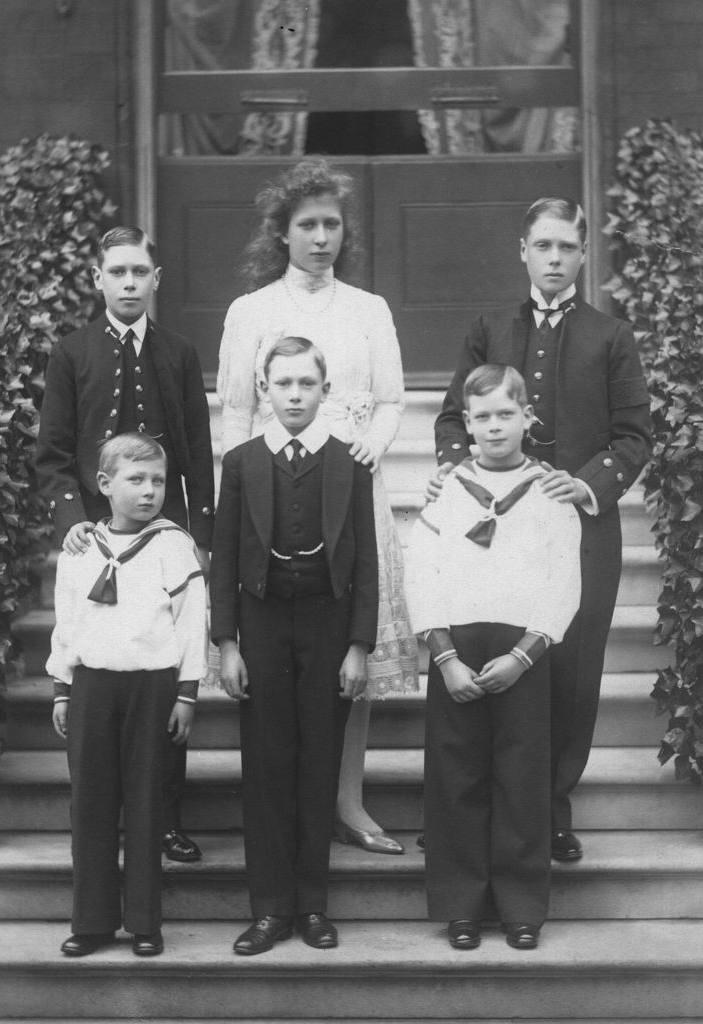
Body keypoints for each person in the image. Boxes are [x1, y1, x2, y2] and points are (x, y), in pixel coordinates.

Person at [431, 198, 652, 862]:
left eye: (567, 248)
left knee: (573, 670)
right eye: (543, 246)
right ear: (521, 250)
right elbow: (450, 419)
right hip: (496, 534)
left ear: (583, 256)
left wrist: (586, 483)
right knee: (497, 658)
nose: (554, 259)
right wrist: (454, 473)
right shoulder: (489, 327)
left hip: (581, 528)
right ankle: (487, 810)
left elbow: (634, 437)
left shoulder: (612, 337)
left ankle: (551, 807)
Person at [215, 157, 417, 855]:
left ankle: (347, 799)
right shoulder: (252, 312)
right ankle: (287, 810)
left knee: (348, 658)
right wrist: (235, 514)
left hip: (352, 497)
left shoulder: (369, 310)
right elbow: (236, 415)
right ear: (282, 233)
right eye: (307, 225)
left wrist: (372, 447)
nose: (322, 237)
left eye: (332, 224)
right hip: (273, 503)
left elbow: (392, 398)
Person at [35, 226, 214, 864]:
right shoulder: (72, 352)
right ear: (98, 279)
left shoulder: (179, 352)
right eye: (118, 273)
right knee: (105, 679)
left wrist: (202, 532)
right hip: (96, 541)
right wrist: (70, 523)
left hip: (162, 543)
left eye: (140, 272)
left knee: (160, 680)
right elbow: (52, 453)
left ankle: (163, 819)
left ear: (157, 279)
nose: (130, 283)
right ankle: (100, 820)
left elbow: (195, 449)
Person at [209, 337, 378, 955]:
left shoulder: (349, 464)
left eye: (307, 384)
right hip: (261, 625)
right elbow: (224, 554)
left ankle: (313, 906)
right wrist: (226, 643)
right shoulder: (243, 461)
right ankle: (270, 909)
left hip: (328, 628)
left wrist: (359, 645)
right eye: (284, 385)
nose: (296, 395)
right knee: (267, 764)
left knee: (317, 764)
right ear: (265, 391)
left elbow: (366, 561)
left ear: (325, 390)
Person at [406, 364, 581, 950]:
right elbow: (421, 576)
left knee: (522, 779)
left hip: (522, 652)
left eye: (507, 413)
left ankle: (521, 905)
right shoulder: (447, 493)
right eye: (482, 417)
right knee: (457, 777)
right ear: (466, 425)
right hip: (457, 650)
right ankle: (462, 903)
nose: (495, 426)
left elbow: (564, 584)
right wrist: (445, 657)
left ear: (528, 419)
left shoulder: (551, 494)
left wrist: (525, 656)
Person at [49, 433, 208, 957]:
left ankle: (144, 920)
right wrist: (61, 689)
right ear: (104, 484)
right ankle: (91, 920)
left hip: (152, 688)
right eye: (135, 480)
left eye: (158, 481)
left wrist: (186, 693)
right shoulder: (79, 547)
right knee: (90, 803)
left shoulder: (172, 544)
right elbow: (67, 621)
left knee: (145, 803)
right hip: (93, 685)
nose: (148, 492)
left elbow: (190, 623)